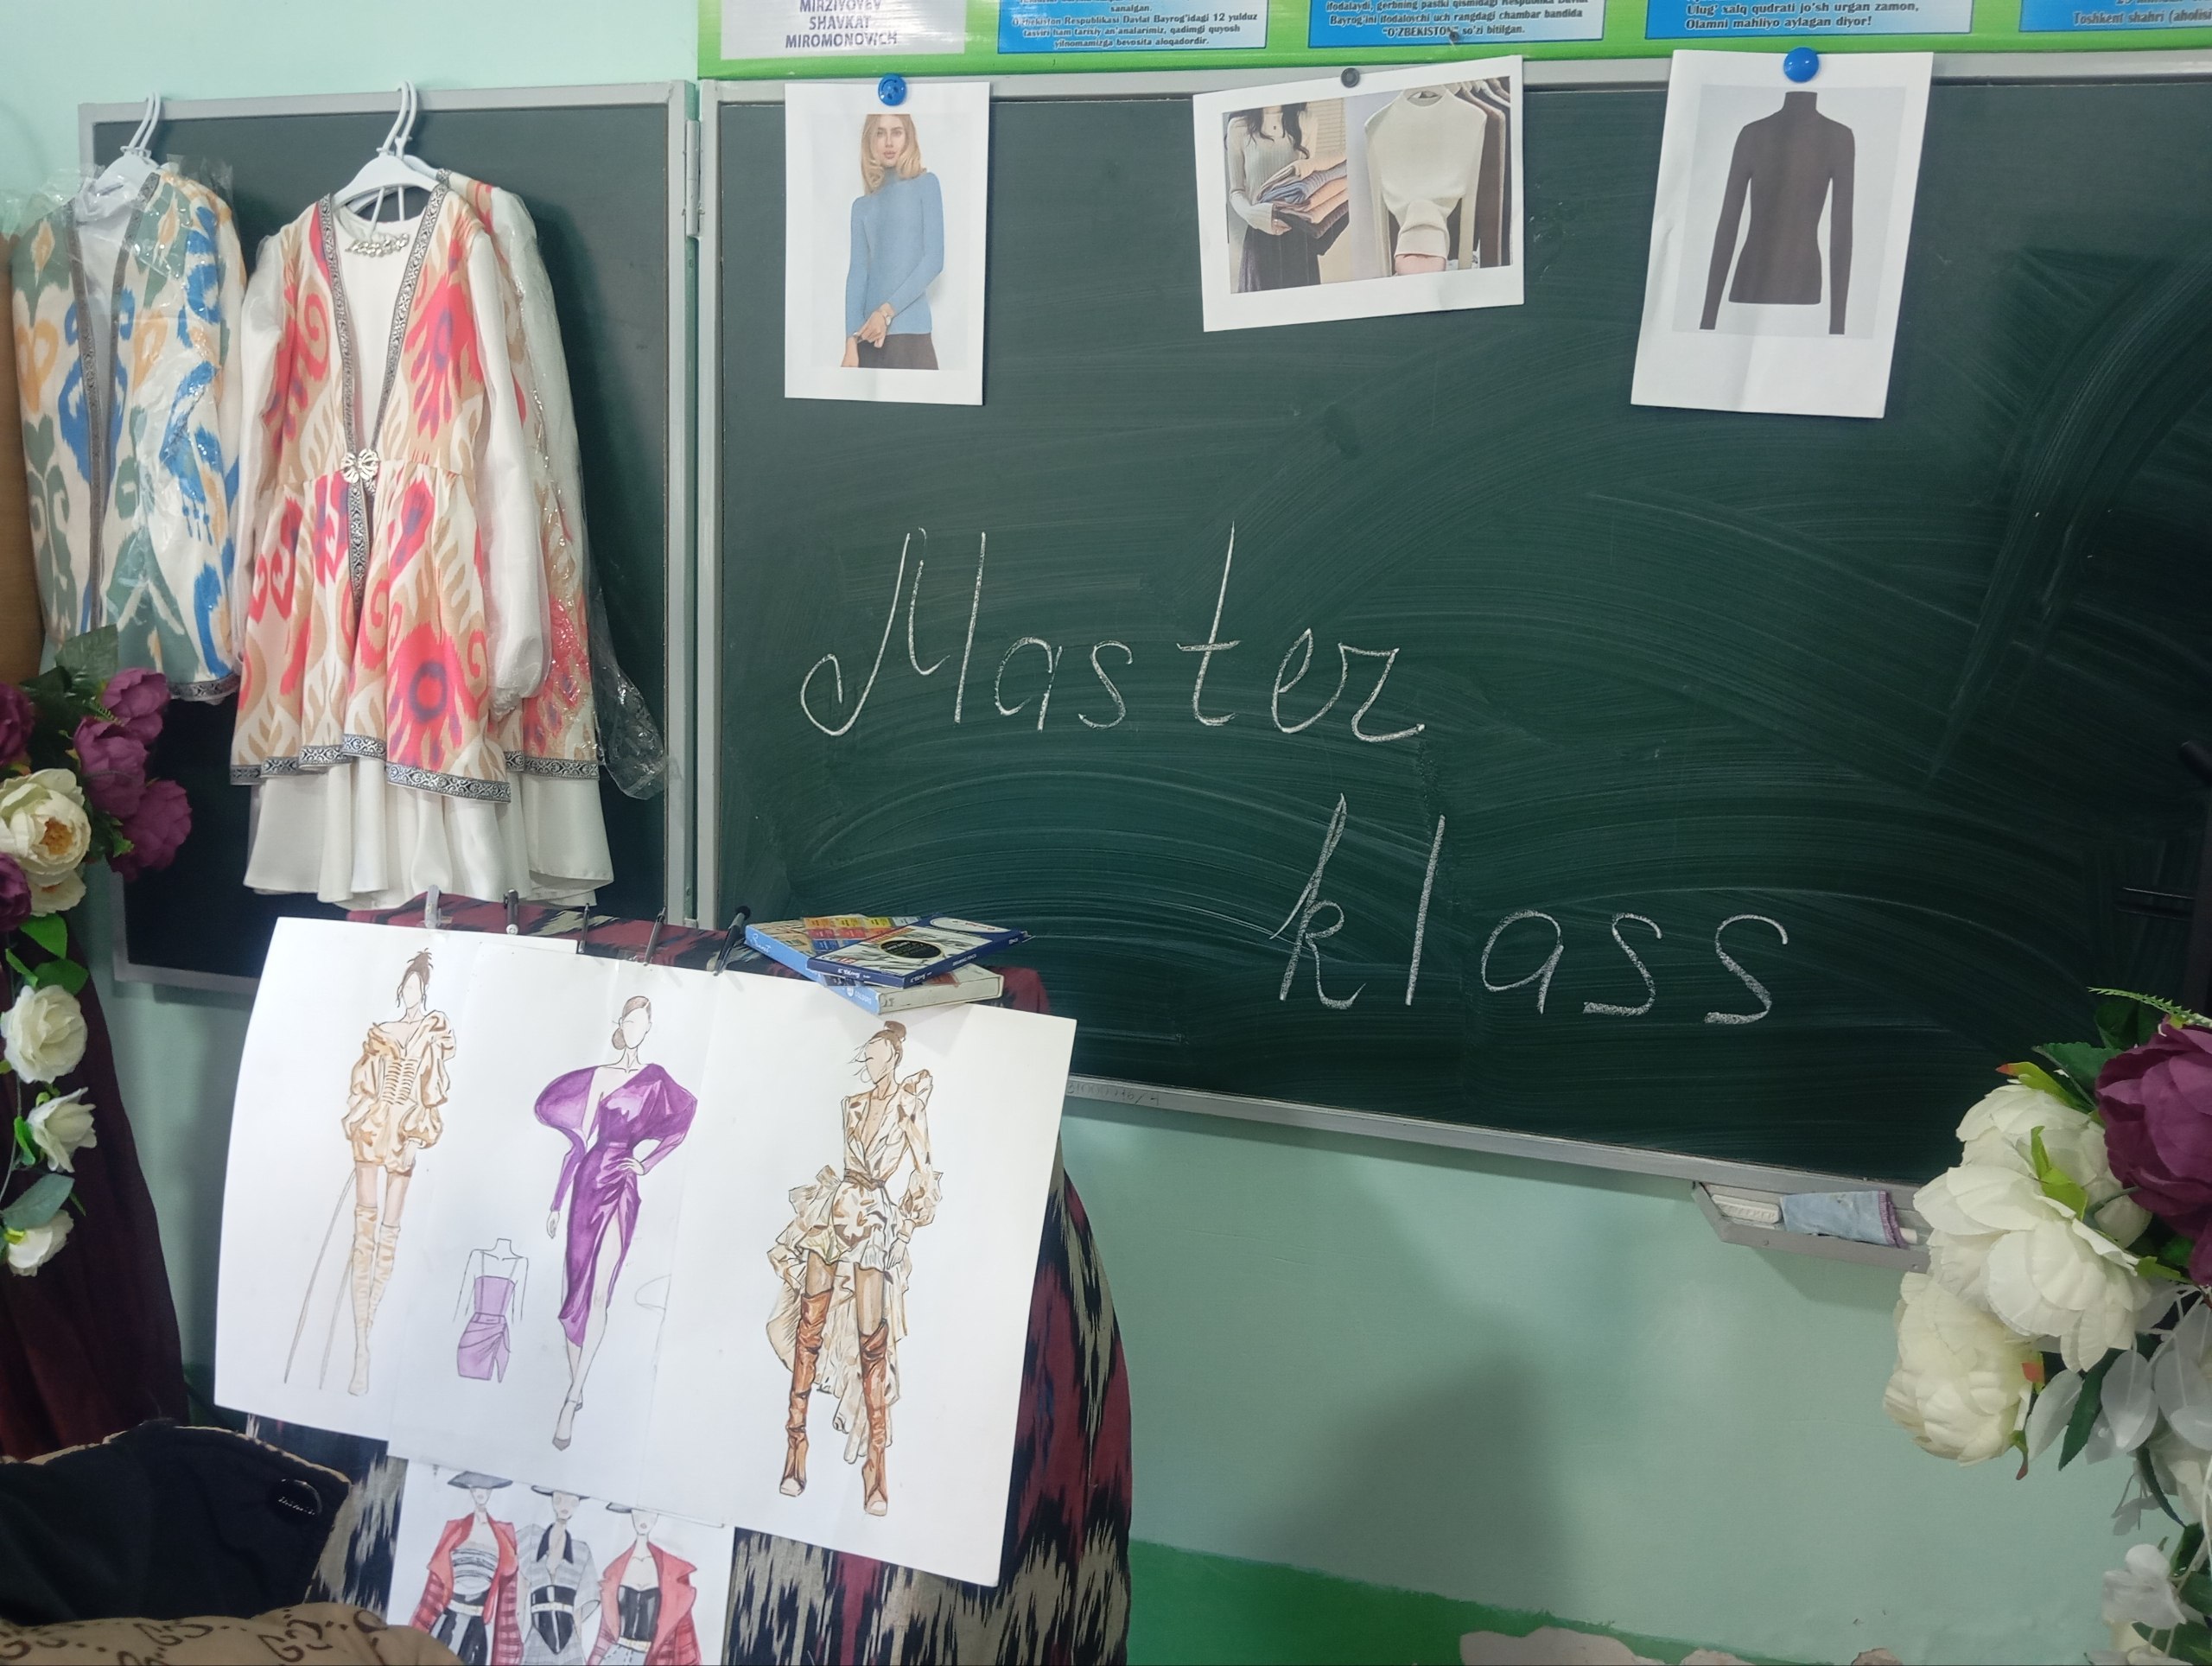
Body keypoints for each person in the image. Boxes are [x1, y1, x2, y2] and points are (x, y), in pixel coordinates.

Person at [768, 1021, 940, 1516]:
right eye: (867, 1052)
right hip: (836, 1207)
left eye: (875, 1052)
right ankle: (795, 1443)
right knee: (810, 1324)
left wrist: (907, 1224)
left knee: (872, 1340)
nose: (867, 1059)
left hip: (875, 1219)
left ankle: (876, 1463)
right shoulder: (853, 1104)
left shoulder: (909, 1105)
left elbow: (924, 1169)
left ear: (893, 1056)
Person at [535, 996, 697, 1450]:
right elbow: (578, 1142)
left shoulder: (656, 1080)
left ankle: (573, 1396)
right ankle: (577, 1382)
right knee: (574, 1292)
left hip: (622, 1185)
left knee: (601, 1292)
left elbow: (684, 1120)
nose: (635, 1028)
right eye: (630, 1020)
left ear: (649, 1029)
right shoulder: (601, 1076)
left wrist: (648, 1162)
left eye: (643, 1022)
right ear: (620, 1024)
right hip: (588, 1180)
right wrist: (556, 1201)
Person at [301, 949, 454, 1396]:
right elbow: (363, 1083)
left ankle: (366, 1340)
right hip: (372, 1130)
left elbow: (431, 1091)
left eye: (417, 986)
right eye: (406, 985)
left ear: (425, 991)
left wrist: (416, 1132)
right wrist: (361, 1115)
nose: (410, 992)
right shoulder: (381, 1033)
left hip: (405, 1132)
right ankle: (360, 1346)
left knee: (390, 1233)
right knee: (363, 1233)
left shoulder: (433, 1035)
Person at [841, 112, 944, 371]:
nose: (888, 142)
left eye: (896, 132)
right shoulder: (861, 206)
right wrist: (851, 341)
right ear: (870, 141)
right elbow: (857, 274)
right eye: (880, 133)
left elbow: (933, 260)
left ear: (908, 137)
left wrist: (885, 313)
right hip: (867, 338)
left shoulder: (926, 185)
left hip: (911, 337)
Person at [1224, 104, 1345, 292]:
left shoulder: (1307, 121)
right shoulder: (1239, 126)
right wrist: (1255, 215)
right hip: (1260, 234)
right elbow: (1236, 191)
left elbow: (1307, 183)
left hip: (1299, 239)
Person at [412, 1471, 523, 1666]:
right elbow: (435, 1585)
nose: (481, 1492)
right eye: (476, 1486)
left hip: (477, 1624)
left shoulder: (503, 1535)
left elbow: (508, 1597)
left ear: (492, 1491)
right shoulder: (454, 1529)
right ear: (470, 1489)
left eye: (486, 1487)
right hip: (449, 1619)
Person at [585, 1508, 699, 1666]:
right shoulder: (616, 1570)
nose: (643, 1519)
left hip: (653, 1658)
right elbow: (606, 1632)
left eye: (649, 1513)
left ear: (656, 1516)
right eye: (638, 1512)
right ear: (631, 1514)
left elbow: (684, 1632)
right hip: (616, 1656)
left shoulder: (674, 1572)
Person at [520, 1487, 599, 1664]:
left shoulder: (581, 1551)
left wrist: (580, 1648)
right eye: (559, 1499)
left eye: (572, 1501)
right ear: (552, 1499)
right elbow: (520, 1599)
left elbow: (578, 1610)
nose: (565, 1506)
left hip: (569, 1643)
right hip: (536, 1638)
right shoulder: (530, 1539)